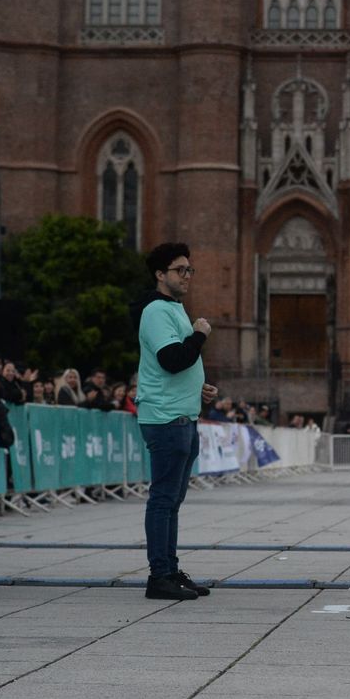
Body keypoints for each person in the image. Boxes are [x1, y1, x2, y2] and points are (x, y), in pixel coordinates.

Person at [132, 242, 218, 602]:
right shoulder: (156, 311)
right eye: (180, 270)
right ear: (160, 274)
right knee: (164, 499)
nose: (186, 276)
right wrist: (199, 334)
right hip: (166, 419)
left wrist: (200, 389)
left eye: (189, 270)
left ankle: (169, 568)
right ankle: (159, 575)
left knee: (173, 500)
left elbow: (179, 364)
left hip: (182, 415)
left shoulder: (173, 309)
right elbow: (171, 359)